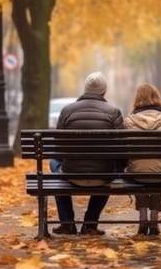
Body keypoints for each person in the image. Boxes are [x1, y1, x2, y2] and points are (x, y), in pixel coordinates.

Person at [52, 71, 124, 236]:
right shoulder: (113, 112)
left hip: (71, 173)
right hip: (102, 175)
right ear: (104, 91)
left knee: (53, 165)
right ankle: (90, 224)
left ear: (84, 89)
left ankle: (68, 223)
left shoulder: (67, 111)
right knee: (111, 170)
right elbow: (121, 148)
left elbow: (58, 146)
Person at [123, 83, 161, 235]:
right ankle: (154, 218)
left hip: (137, 173)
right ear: (157, 99)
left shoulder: (129, 121)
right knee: (160, 168)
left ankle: (143, 216)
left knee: (139, 166)